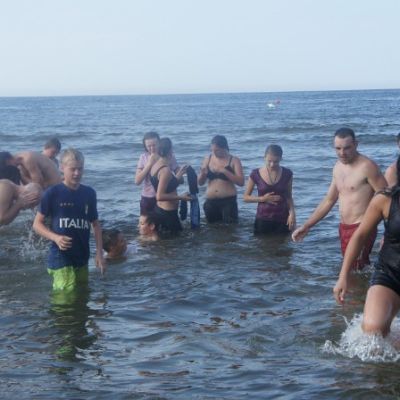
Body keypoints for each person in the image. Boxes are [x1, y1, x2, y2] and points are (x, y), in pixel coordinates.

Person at [292, 127, 387, 270]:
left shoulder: (368, 167)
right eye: (338, 148)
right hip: (343, 227)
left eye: (347, 148)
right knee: (356, 270)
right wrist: (307, 225)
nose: (342, 153)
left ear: (356, 144)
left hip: (362, 228)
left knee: (354, 269)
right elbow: (329, 200)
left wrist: (388, 234)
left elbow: (387, 201)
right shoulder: (338, 167)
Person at [333, 157, 400, 337]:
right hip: (390, 272)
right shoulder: (385, 199)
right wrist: (343, 275)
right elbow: (360, 236)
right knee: (372, 331)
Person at [33, 148, 106, 291]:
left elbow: (96, 225)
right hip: (60, 255)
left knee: (82, 293)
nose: (77, 173)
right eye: (72, 169)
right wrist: (55, 238)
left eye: (80, 169)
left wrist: (99, 253)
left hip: (82, 254)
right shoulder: (52, 193)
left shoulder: (89, 193)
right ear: (62, 168)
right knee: (65, 295)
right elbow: (37, 224)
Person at [244, 144, 296, 235]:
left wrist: (292, 214)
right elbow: (246, 197)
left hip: (282, 218)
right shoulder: (255, 174)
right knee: (261, 243)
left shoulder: (287, 174)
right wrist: (263, 199)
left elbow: (288, 196)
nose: (272, 165)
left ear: (281, 159)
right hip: (263, 218)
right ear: (264, 157)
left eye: (276, 162)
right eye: (269, 161)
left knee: (283, 243)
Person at [198, 135, 244, 223]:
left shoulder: (234, 160)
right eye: (212, 150)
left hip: (228, 201)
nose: (214, 153)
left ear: (224, 147)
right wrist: (203, 174)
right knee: (211, 228)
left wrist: (224, 171)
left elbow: (241, 182)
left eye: (217, 150)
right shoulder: (208, 159)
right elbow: (200, 183)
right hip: (211, 202)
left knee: (229, 228)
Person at [150, 138, 190, 235]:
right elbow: (159, 196)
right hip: (167, 213)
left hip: (160, 209)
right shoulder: (165, 170)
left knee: (166, 241)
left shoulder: (155, 165)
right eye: (172, 149)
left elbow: (166, 186)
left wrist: (178, 176)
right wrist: (181, 197)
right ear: (169, 152)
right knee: (175, 240)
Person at [135, 131, 180, 215]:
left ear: (159, 144)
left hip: (165, 198)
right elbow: (137, 181)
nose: (152, 148)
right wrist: (149, 164)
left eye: (154, 145)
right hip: (148, 197)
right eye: (149, 146)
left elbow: (179, 176)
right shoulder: (143, 157)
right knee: (146, 222)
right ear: (145, 146)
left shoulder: (168, 156)